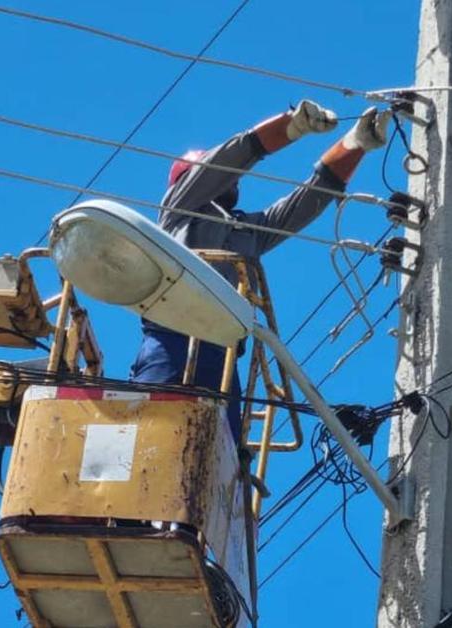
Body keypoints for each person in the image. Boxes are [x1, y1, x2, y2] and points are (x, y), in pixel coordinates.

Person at [129, 100, 391, 442]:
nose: (230, 180)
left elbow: (300, 206)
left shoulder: (243, 232)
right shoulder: (178, 211)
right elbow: (226, 162)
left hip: (222, 352)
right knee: (154, 429)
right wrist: (290, 127)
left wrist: (354, 145)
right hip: (172, 339)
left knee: (221, 450)